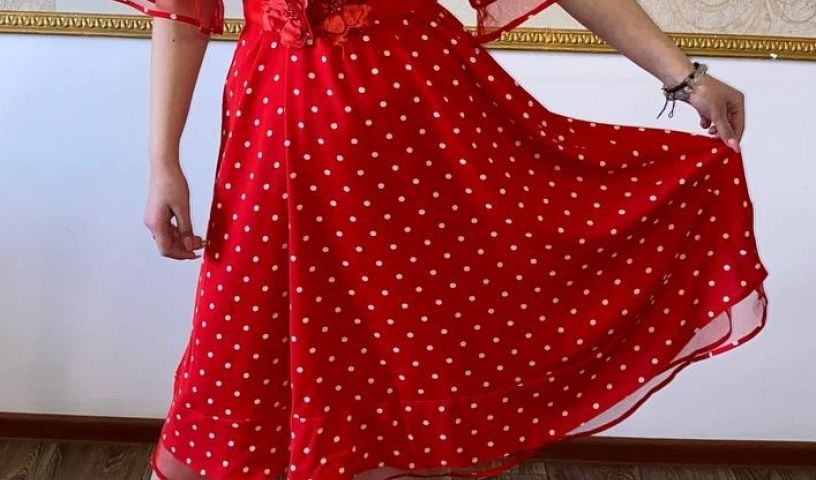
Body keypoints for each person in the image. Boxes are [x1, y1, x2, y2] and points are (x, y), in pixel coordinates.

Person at [113, 1, 770, 479]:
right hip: (276, 120)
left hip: (421, 120)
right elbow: (180, 11)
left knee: (408, 343)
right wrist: (162, 161)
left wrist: (686, 78)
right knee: (243, 339)